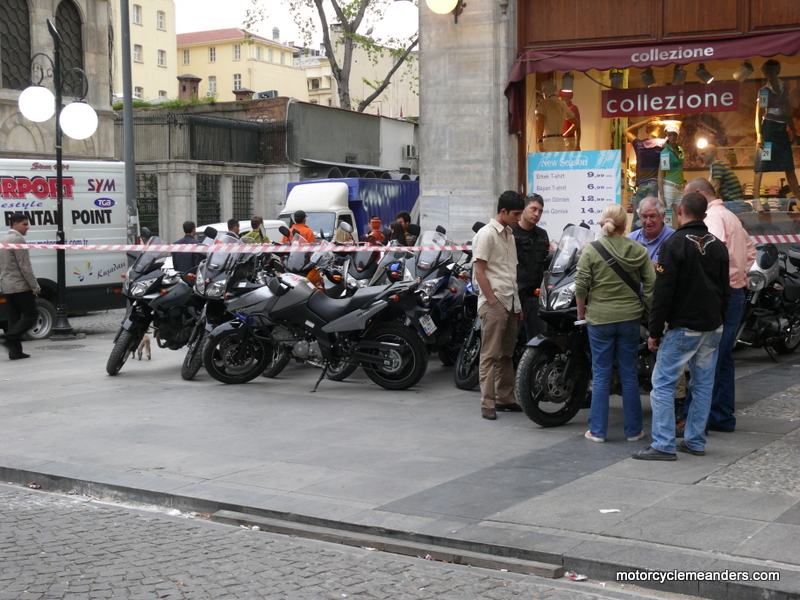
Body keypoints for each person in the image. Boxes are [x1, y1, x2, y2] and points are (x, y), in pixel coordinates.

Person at [632, 192, 729, 461]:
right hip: (712, 326)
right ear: (705, 214)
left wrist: (654, 331)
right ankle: (695, 440)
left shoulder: (673, 244)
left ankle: (663, 443)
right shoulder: (718, 246)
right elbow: (726, 291)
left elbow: (662, 293)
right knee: (703, 384)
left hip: (683, 327)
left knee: (662, 383)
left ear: (680, 210)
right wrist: (719, 320)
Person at [576, 203, 654, 443]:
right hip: (630, 319)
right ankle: (634, 431)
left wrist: (581, 314)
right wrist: (648, 315)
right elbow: (651, 286)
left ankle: (598, 431)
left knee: (600, 374)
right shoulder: (639, 250)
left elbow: (581, 285)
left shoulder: (592, 250)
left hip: (599, 319)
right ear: (626, 224)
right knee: (629, 374)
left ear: (603, 223)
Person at [682, 177, 755, 433]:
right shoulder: (731, 216)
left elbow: (710, 253)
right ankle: (722, 416)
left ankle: (692, 418)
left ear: (699, 194)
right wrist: (739, 275)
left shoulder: (712, 218)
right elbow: (750, 249)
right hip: (735, 293)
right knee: (722, 358)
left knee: (706, 358)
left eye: (687, 198)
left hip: (720, 296)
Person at [472, 191, 525, 420]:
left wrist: (518, 305)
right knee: (490, 354)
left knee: (506, 354)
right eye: (516, 214)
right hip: (495, 302)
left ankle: (505, 398)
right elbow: (479, 271)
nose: (519, 218)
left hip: (511, 301)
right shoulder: (486, 234)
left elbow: (511, 272)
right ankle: (488, 403)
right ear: (503, 211)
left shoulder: (510, 235)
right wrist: (491, 299)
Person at [753, 59, 800, 212]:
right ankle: (756, 200)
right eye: (767, 72)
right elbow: (760, 113)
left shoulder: (783, 89)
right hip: (769, 129)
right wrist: (760, 134)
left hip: (781, 129)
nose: (769, 74)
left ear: (777, 71)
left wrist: (792, 128)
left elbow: (786, 109)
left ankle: (798, 198)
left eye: (772, 71)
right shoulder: (765, 91)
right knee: (762, 163)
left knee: (788, 164)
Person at [0, 213, 41, 360]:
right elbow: (25, 266)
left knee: (14, 318)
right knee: (32, 314)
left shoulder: (4, 239)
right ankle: (8, 337)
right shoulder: (17, 239)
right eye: (24, 224)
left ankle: (15, 352)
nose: (27, 227)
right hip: (19, 286)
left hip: (7, 286)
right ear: (15, 224)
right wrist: (35, 285)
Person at [512, 193, 550, 340]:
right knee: (510, 340)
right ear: (523, 209)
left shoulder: (541, 234)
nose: (537, 214)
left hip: (536, 295)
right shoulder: (511, 233)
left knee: (539, 339)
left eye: (540, 211)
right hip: (516, 294)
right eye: (533, 209)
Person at [625, 116, 667, 230]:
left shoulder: (642, 144)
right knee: (648, 215)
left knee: (642, 215)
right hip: (651, 185)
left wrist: (648, 122)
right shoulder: (662, 142)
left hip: (647, 185)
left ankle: (639, 241)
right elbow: (626, 131)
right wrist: (659, 123)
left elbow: (627, 131)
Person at [627, 197, 674, 263]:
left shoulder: (673, 239)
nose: (648, 222)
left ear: (662, 216)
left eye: (652, 216)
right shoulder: (631, 239)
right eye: (644, 217)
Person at [536, 82, 579, 153]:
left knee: (547, 163)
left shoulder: (543, 104)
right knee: (559, 163)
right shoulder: (562, 104)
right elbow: (576, 124)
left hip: (549, 140)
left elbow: (541, 122)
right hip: (560, 141)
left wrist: (540, 141)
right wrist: (565, 135)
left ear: (545, 93)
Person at [699, 145, 745, 210]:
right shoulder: (721, 163)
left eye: (704, 153)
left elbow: (716, 187)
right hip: (737, 203)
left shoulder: (716, 164)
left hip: (733, 203)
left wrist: (713, 205)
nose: (701, 156)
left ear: (712, 153)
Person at [658, 123, 685, 227]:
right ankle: (667, 241)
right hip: (669, 187)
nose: (672, 137)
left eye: (674, 134)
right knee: (667, 219)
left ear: (678, 135)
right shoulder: (665, 152)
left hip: (680, 187)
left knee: (682, 216)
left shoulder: (680, 150)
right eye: (670, 135)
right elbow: (661, 173)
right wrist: (662, 195)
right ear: (667, 135)